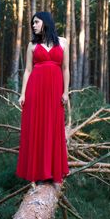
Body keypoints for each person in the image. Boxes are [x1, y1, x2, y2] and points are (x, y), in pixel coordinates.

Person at [16, 11, 69, 186]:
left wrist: (65, 92)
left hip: (55, 91)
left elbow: (65, 69)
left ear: (45, 22)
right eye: (33, 23)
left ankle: (54, 172)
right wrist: (23, 93)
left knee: (53, 126)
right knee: (37, 128)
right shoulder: (32, 45)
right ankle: (39, 173)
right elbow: (28, 70)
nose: (33, 25)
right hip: (35, 91)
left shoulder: (63, 42)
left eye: (36, 22)